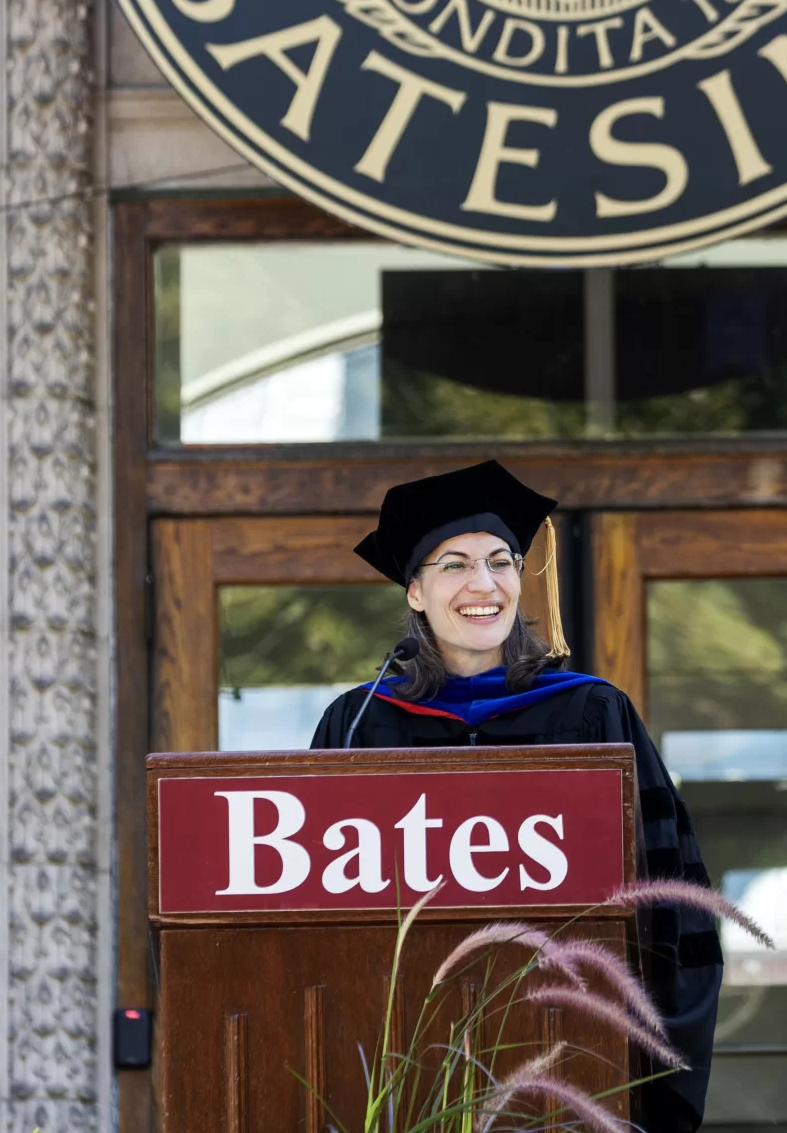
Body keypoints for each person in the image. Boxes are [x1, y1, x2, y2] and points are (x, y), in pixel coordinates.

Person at [310, 460, 722, 1133]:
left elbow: (669, 904)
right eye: (454, 564)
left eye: (500, 561)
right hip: (399, 1077)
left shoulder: (592, 715)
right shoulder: (358, 725)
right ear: (414, 591)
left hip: (572, 1071)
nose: (483, 584)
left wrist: (650, 1081)